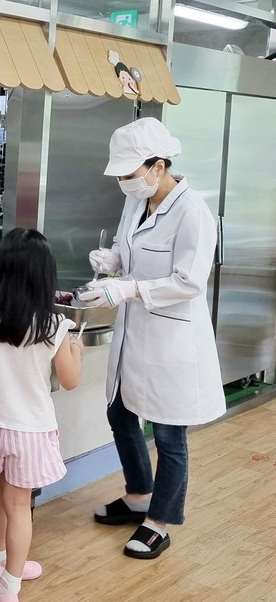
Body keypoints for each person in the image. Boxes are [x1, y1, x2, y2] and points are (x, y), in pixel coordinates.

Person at [79, 117, 225, 559]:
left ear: (158, 166)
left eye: (129, 173)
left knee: (169, 436)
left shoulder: (193, 212)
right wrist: (114, 258)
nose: (125, 182)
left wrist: (129, 288)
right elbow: (132, 247)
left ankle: (160, 521)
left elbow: (188, 282)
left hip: (171, 340)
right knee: (120, 414)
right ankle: (139, 495)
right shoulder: (136, 202)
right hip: (134, 332)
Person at [0, 228, 83, 602]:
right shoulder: (53, 325)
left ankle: (0, 563)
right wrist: (76, 352)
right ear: (44, 274)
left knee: (0, 496)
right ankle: (8, 586)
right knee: (19, 505)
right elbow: (69, 382)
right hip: (29, 428)